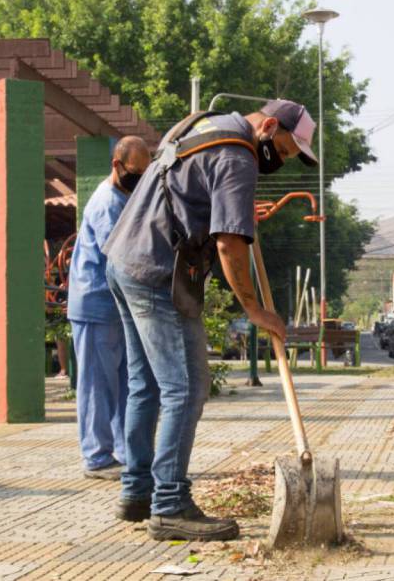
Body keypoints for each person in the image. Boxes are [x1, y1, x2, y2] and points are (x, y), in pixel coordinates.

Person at [103, 100, 317, 542]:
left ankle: (138, 491)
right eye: (285, 148)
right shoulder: (238, 156)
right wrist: (256, 310)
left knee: (146, 386)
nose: (282, 159)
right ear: (270, 126)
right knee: (186, 387)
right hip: (156, 273)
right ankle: (169, 505)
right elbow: (228, 245)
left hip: (123, 260)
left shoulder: (204, 123)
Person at [68, 136, 151, 480]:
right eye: (136, 173)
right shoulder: (106, 202)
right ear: (117, 166)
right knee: (96, 386)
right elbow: (121, 254)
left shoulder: (127, 196)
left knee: (123, 384)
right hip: (95, 303)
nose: (140, 179)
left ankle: (123, 451)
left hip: (117, 306)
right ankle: (97, 457)